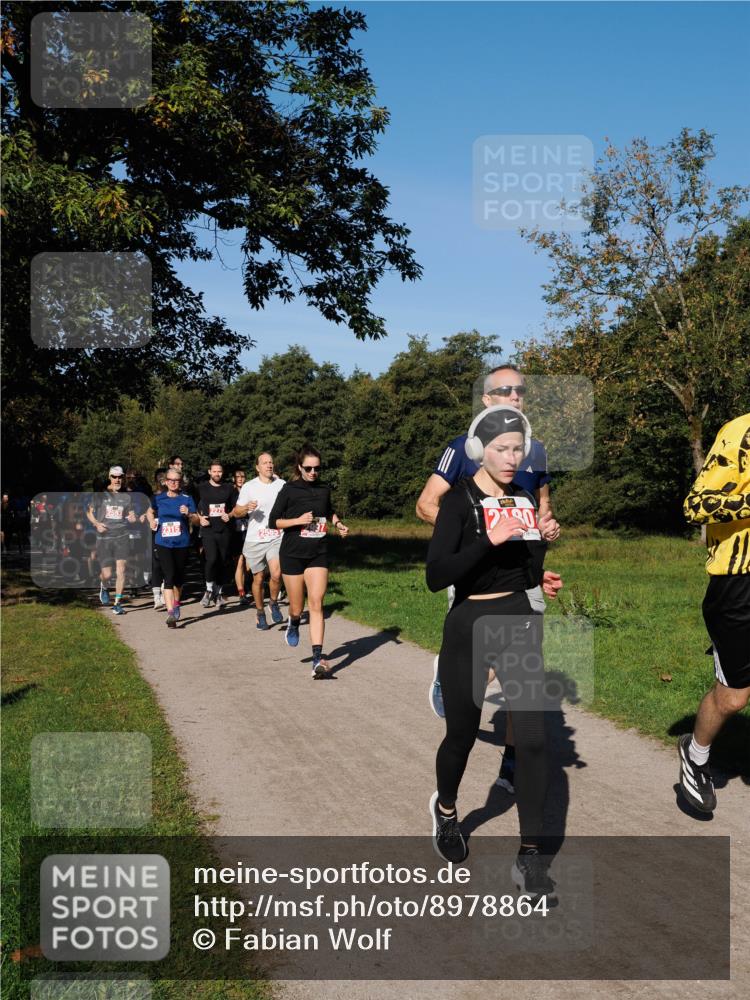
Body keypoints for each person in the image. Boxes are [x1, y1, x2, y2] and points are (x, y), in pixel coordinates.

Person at [426, 405, 560, 902]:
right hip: (469, 624)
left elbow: (521, 571)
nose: (512, 458)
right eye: (502, 449)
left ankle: (530, 857)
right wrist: (488, 538)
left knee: (532, 740)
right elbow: (437, 575)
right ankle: (446, 812)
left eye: (518, 449)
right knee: (461, 733)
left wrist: (541, 558)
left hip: (519, 622)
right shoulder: (460, 502)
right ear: (480, 450)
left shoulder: (524, 497)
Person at [417, 363, 562, 795]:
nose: (515, 396)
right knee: (477, 683)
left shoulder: (535, 451)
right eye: (504, 390)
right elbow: (428, 504)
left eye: (520, 390)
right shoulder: (464, 447)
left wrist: (546, 531)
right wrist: (476, 533)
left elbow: (541, 511)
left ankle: (512, 762)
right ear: (486, 399)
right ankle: (453, 675)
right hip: (474, 583)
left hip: (522, 581)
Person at [679, 413, 750, 813]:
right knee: (734, 698)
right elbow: (696, 505)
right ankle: (696, 754)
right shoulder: (740, 433)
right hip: (740, 583)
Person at [268, 444, 349, 676]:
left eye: (317, 469)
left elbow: (328, 511)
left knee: (316, 602)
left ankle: (317, 659)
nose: (313, 473)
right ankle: (293, 622)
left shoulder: (324, 489)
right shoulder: (289, 490)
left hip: (318, 552)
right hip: (292, 554)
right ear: (299, 467)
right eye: (308, 469)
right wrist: (297, 521)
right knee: (297, 607)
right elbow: (273, 522)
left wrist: (338, 523)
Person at [235, 453, 286, 630]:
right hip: (255, 539)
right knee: (258, 578)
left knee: (277, 573)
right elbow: (235, 511)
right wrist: (245, 508)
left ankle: (272, 602)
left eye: (271, 462)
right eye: (265, 463)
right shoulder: (249, 487)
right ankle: (260, 612)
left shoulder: (282, 484)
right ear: (258, 467)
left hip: (276, 536)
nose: (269, 465)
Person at [146, 469, 199, 628]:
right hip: (163, 542)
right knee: (168, 575)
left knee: (178, 578)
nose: (173, 482)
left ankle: (176, 604)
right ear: (166, 482)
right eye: (171, 480)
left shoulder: (187, 499)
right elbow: (150, 511)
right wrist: (151, 521)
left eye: (177, 480)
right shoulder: (158, 498)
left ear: (180, 482)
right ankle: (170, 614)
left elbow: (196, 520)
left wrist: (189, 514)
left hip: (181, 543)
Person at [86, 466, 137, 615]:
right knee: (107, 574)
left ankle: (117, 603)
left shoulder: (127, 497)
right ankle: (104, 585)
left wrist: (132, 517)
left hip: (122, 536)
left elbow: (130, 514)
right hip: (104, 538)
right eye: (114, 477)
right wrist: (96, 524)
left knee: (122, 570)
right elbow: (89, 512)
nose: (117, 480)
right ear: (109, 477)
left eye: (120, 477)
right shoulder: (100, 495)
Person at [197, 461, 240, 609]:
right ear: (209, 472)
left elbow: (236, 508)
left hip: (224, 530)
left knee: (222, 561)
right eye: (214, 471)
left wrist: (230, 514)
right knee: (211, 559)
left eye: (219, 472)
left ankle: (219, 593)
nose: (217, 474)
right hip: (208, 529)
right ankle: (209, 590)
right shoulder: (201, 487)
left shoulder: (229, 488)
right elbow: (193, 506)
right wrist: (199, 518)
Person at [230, 468, 251, 604]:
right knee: (240, 561)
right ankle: (241, 592)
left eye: (243, 476)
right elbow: (230, 511)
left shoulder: (250, 491)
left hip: (249, 530)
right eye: (238, 477)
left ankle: (249, 586)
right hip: (235, 531)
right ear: (234, 479)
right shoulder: (231, 493)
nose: (240, 479)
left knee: (249, 564)